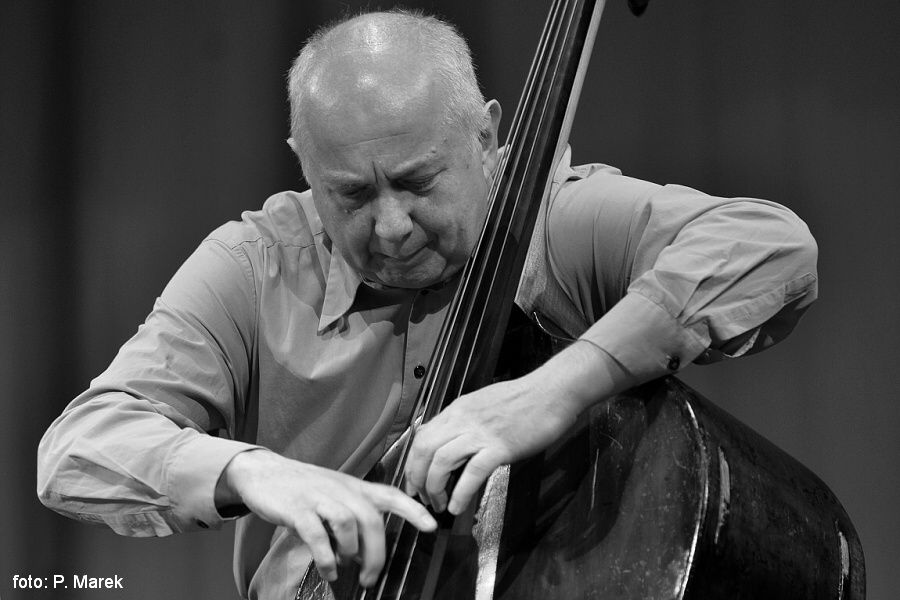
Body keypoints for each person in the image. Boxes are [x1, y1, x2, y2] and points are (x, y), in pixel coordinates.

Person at [37, 9, 818, 599]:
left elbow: (769, 248)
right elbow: (78, 448)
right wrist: (254, 471)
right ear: (304, 167)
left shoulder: (550, 224)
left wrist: (556, 389)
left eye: (417, 182)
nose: (391, 226)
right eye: (351, 195)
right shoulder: (257, 264)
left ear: (486, 137)